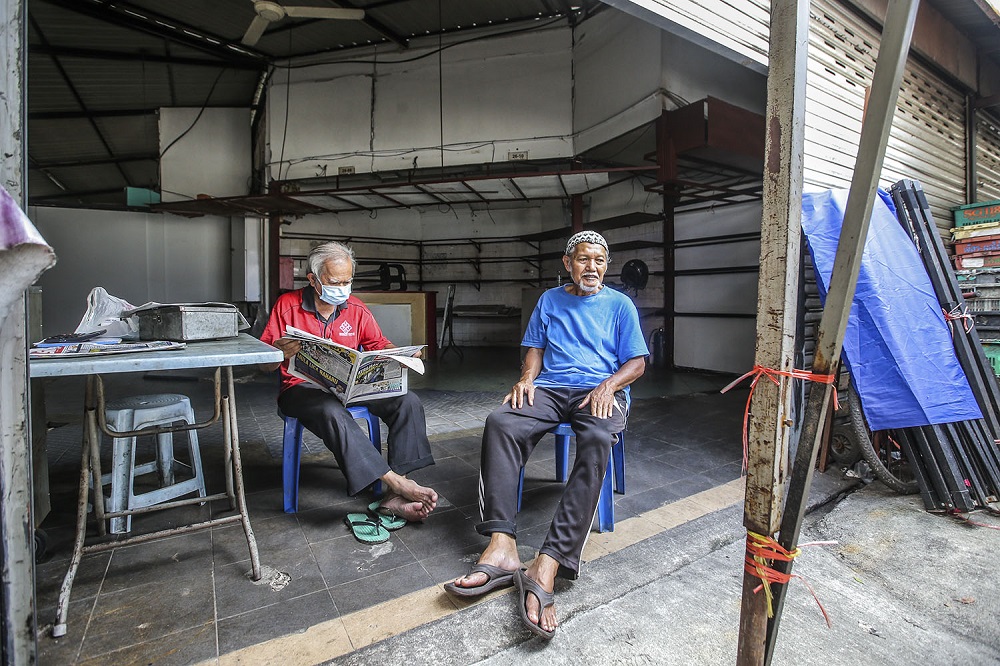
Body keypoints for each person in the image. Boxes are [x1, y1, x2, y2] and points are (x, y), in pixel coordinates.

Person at [444, 230, 648, 639]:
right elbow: (534, 348)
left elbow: (638, 361)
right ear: (568, 262)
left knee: (594, 441)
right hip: (552, 388)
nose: (592, 267)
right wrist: (526, 378)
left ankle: (550, 562)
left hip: (600, 389)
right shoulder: (549, 301)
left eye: (599, 261)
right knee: (501, 421)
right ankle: (501, 546)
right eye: (584, 259)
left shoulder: (620, 304)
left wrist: (608, 386)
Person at [260, 241, 437, 522]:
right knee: (332, 412)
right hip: (301, 390)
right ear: (314, 280)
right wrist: (279, 353)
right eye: (334, 281)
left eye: (348, 281)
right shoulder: (286, 306)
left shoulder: (354, 307)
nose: (342, 288)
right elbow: (264, 362)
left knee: (407, 401)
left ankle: (393, 495)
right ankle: (397, 484)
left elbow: (378, 343)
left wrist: (399, 354)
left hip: (349, 386)